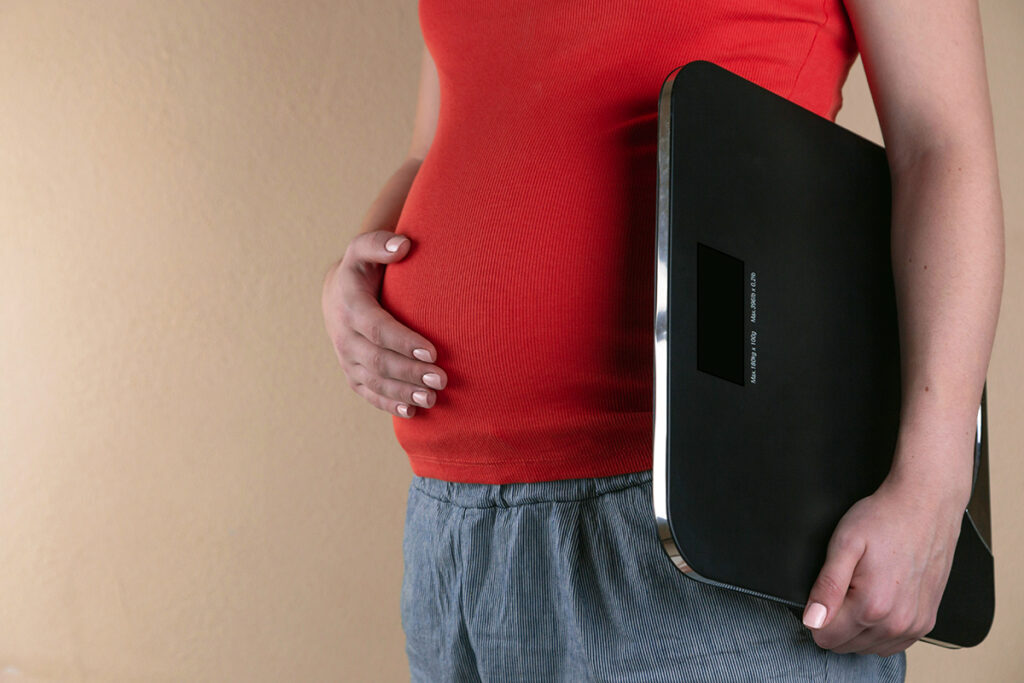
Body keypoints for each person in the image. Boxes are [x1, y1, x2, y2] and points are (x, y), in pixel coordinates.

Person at [322, 0, 1004, 680]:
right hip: (454, 532)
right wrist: (352, 280)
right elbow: (435, 141)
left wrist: (933, 492)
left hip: (697, 530)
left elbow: (940, 146)